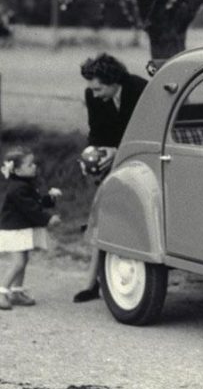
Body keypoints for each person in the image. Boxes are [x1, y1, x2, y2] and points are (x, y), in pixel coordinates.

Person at [73, 53, 148, 303]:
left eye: (99, 88)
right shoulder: (92, 96)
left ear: (113, 80)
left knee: (120, 217)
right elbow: (97, 132)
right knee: (101, 214)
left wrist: (117, 151)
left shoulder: (139, 89)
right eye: (91, 89)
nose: (94, 95)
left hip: (142, 160)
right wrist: (92, 153)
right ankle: (92, 280)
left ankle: (106, 276)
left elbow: (147, 131)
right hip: (113, 161)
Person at [0, 147, 63, 309]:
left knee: (24, 260)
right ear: (18, 170)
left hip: (21, 229)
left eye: (33, 163)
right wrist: (48, 219)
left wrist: (50, 198)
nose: (34, 166)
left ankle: (16, 292)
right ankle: (2, 292)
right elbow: (30, 209)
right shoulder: (17, 189)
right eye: (30, 164)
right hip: (14, 230)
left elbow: (38, 202)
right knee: (18, 263)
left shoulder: (25, 184)